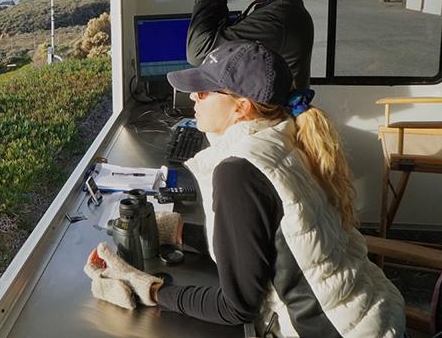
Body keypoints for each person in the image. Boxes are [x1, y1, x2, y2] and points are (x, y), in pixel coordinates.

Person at [84, 41, 405, 337]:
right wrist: (176, 230)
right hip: (378, 313)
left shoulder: (239, 172)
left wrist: (148, 289)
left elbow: (237, 307)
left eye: (205, 91)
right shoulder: (287, 138)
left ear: (241, 107)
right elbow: (267, 242)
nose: (194, 97)